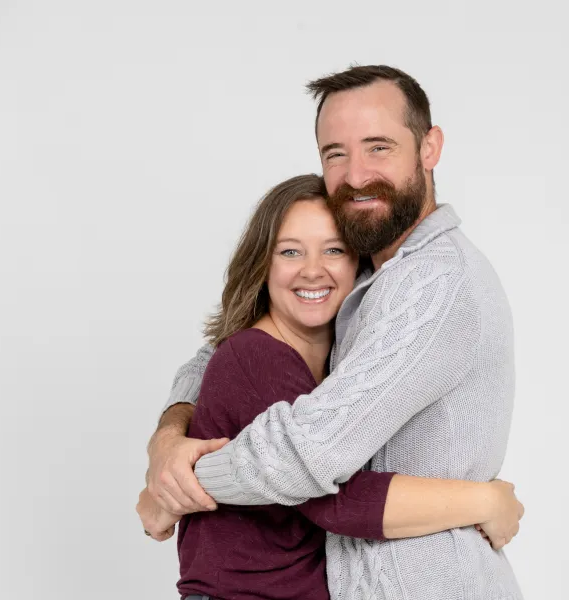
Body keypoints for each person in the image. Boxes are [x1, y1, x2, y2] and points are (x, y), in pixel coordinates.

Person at [145, 65, 522, 599]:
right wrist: (169, 438)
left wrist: (178, 488)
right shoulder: (369, 267)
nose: (357, 174)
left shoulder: (433, 284)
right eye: (335, 154)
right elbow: (228, 350)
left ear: (429, 147)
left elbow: (306, 459)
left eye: (379, 147)